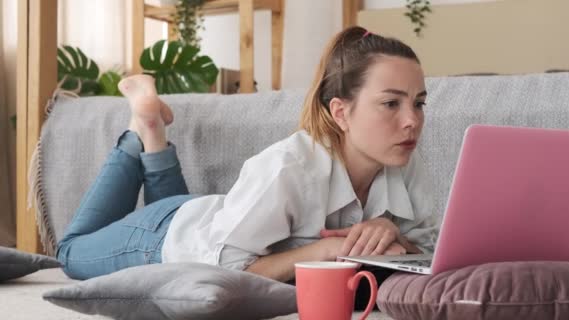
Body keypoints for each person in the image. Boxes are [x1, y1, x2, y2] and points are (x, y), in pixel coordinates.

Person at [56, 26, 439, 285]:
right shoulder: (288, 168)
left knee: (178, 208)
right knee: (70, 253)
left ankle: (153, 128)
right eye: (391, 103)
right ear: (341, 112)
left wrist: (393, 233)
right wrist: (326, 249)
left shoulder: (401, 157)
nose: (412, 121)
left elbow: (433, 250)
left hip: (208, 217)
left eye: (418, 103)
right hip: (160, 238)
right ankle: (137, 135)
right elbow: (225, 269)